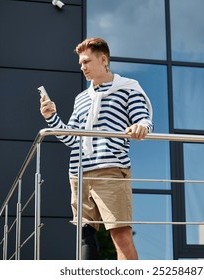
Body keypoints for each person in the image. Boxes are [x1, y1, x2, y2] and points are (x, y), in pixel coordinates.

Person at [39, 37, 153, 260]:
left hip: (110, 171)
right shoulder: (81, 98)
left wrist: (141, 126)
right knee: (85, 238)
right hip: (79, 174)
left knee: (121, 237)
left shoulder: (128, 89)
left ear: (103, 59)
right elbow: (73, 139)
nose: (83, 67)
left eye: (87, 61)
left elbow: (143, 119)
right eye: (81, 63)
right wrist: (51, 117)